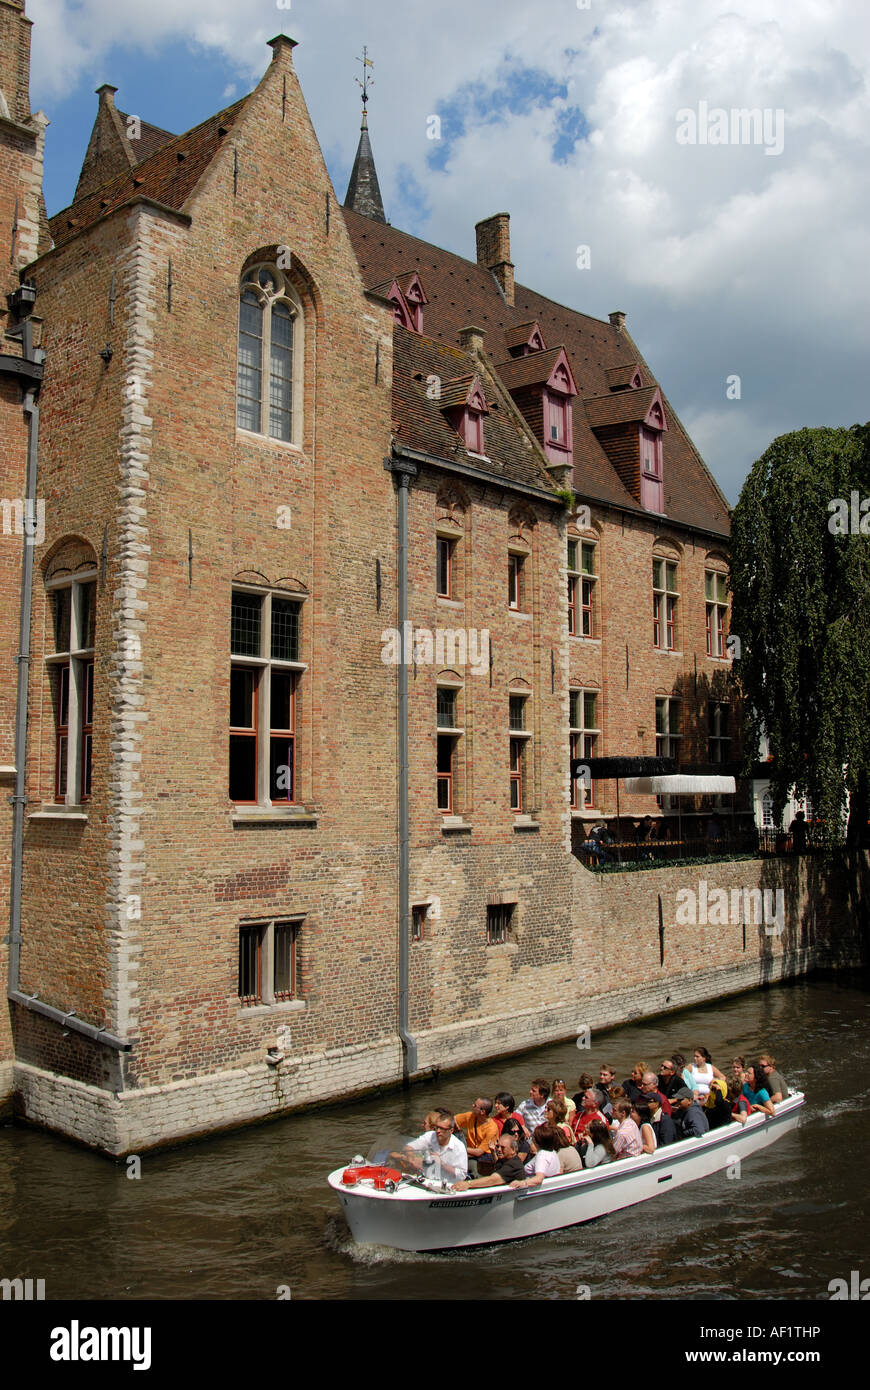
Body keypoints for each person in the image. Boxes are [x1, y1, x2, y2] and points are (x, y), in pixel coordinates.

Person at [399, 1108, 469, 1182]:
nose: (438, 1131)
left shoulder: (459, 1147)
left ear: (451, 1130)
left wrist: (442, 1163)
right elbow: (409, 1147)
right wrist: (412, 1159)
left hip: (448, 1184)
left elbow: (462, 1175)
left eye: (442, 1128)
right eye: (437, 1127)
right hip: (427, 1181)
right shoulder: (430, 1136)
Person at [451, 1131, 526, 1190]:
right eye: (497, 1146)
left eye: (503, 1148)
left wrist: (468, 1184)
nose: (499, 1149)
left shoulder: (513, 1164)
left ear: (513, 1150)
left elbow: (493, 1180)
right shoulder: (504, 1159)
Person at [510, 1123, 561, 1189]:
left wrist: (522, 1183)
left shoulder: (542, 1155)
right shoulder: (553, 1152)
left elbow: (539, 1178)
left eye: (533, 1137)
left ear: (537, 1141)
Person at [453, 1097, 499, 1164]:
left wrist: (458, 1148)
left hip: (485, 1156)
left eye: (475, 1105)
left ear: (482, 1112)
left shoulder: (492, 1129)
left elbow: (479, 1152)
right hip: (469, 1150)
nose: (472, 1106)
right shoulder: (470, 1116)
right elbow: (452, 1119)